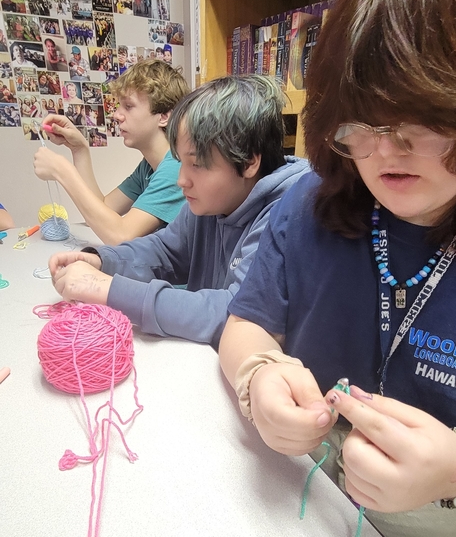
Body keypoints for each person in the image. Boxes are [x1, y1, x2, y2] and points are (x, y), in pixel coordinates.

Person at [219, 0, 456, 537]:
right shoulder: (311, 207)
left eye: (422, 117)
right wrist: (257, 376)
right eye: (362, 120)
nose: (388, 150)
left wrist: (453, 467)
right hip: (312, 512)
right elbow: (245, 325)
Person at [46, 75, 309, 348]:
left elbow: (235, 315)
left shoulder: (286, 214)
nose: (182, 179)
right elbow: (165, 251)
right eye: (180, 162)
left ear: (249, 161)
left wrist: (108, 289)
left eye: (196, 164)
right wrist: (103, 261)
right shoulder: (210, 202)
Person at [34, 59, 190, 244]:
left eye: (128, 106)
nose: (116, 115)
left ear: (164, 116)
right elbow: (104, 209)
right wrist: (79, 149)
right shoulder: (149, 167)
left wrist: (63, 172)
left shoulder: (176, 168)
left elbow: (120, 235)